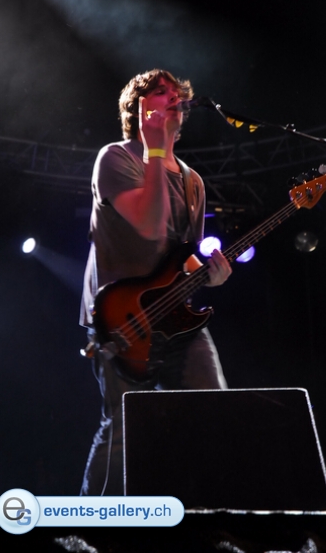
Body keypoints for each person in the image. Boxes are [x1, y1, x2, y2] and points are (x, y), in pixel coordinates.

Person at [80, 69, 231, 495]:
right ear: (138, 108)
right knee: (124, 430)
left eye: (175, 93)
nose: (171, 98)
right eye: (159, 92)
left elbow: (181, 258)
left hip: (176, 319)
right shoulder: (115, 158)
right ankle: (87, 524)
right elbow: (148, 225)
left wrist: (212, 275)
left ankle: (207, 516)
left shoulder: (192, 181)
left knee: (214, 412)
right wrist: (155, 149)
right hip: (120, 315)